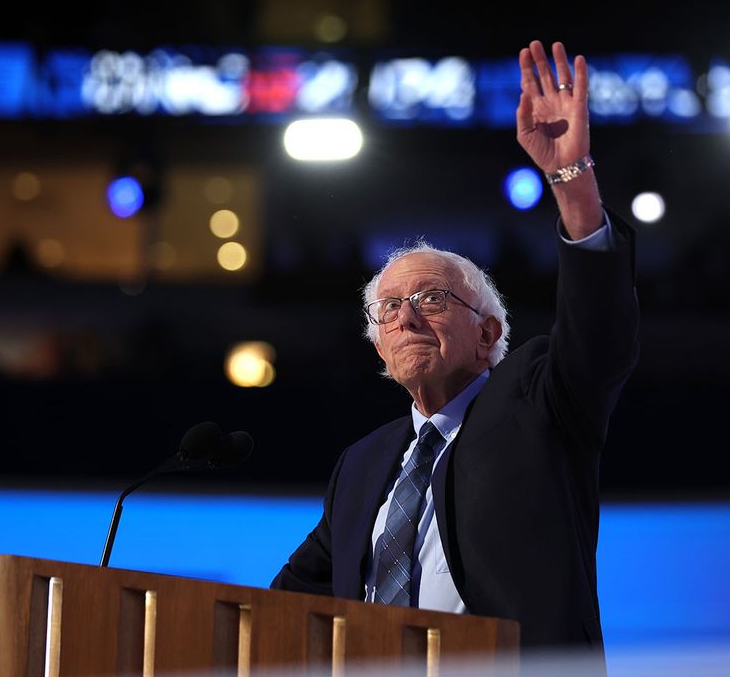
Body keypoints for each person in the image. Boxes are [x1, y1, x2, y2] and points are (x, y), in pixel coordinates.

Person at [271, 40, 640, 655]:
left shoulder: (540, 405)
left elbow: (599, 331)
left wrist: (571, 181)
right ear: (378, 344)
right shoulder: (362, 465)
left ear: (489, 333)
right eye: (389, 309)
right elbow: (282, 602)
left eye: (433, 300)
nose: (407, 318)